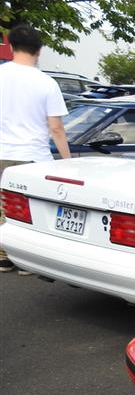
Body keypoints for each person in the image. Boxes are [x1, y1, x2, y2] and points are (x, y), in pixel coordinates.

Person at [0, 24, 71, 275]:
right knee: (31, 210)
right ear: (39, 50)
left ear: (10, 46)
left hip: (2, 153)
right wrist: (67, 161)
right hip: (34, 157)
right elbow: (56, 128)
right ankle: (26, 262)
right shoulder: (46, 83)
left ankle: (4, 257)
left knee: (4, 207)